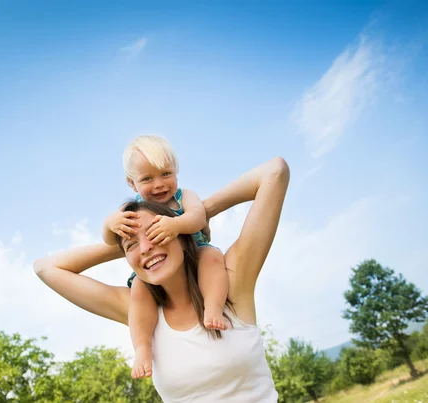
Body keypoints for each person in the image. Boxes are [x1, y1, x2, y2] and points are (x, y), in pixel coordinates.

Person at [34, 156, 289, 402]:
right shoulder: (140, 311)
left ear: (179, 233)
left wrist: (195, 217)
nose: (145, 247)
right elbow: (45, 268)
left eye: (155, 232)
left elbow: (275, 171)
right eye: (133, 245)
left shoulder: (230, 282)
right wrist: (126, 242)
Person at [101, 135, 229, 379]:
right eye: (147, 179)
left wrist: (176, 225)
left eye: (166, 174)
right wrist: (110, 223)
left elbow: (198, 218)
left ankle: (213, 308)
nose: (159, 184)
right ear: (132, 183)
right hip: (158, 266)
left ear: (176, 172)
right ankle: (142, 348)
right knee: (139, 287)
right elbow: (110, 240)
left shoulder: (183, 196)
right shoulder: (132, 209)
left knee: (213, 257)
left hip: (195, 251)